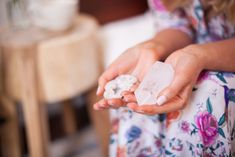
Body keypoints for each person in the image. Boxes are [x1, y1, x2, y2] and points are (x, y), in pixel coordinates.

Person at [94, 0, 235, 156]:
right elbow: (176, 25)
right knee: (137, 103)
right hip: (189, 55)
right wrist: (153, 47)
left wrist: (200, 55)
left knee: (206, 98)